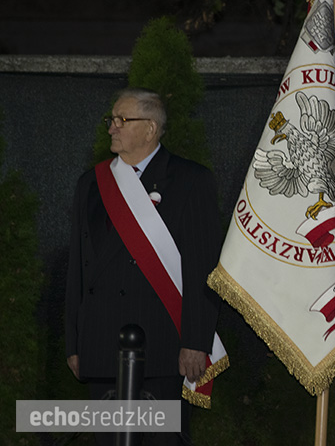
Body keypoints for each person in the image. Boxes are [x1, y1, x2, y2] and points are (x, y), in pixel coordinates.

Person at [65, 88, 223, 445]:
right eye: (112, 120)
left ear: (150, 129)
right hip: (102, 343)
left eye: (122, 120)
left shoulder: (190, 181)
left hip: (163, 346)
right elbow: (79, 270)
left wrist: (196, 341)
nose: (111, 128)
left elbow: (204, 270)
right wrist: (75, 343)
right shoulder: (91, 184)